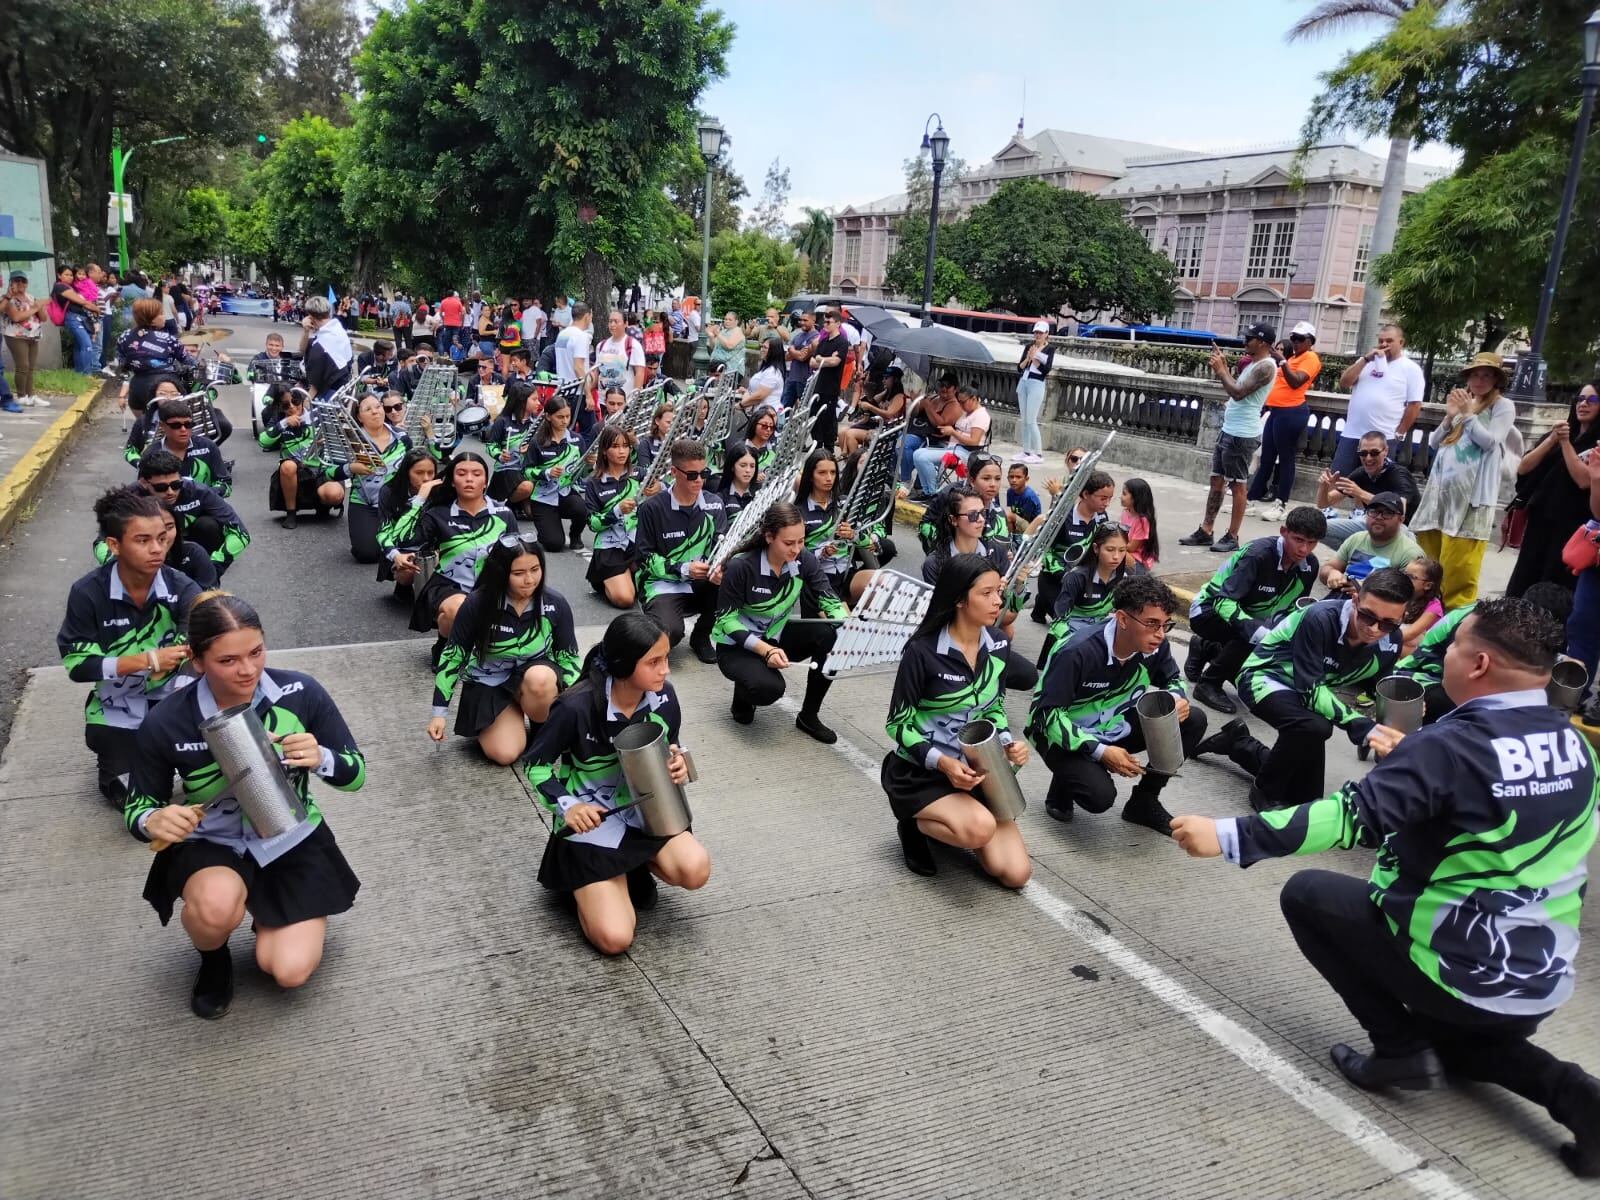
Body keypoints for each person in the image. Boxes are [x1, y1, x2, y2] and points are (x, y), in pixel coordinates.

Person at [1171, 597, 1600, 1180]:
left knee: (1309, 895)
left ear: (1477, 665)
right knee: (1463, 1044)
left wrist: (1228, 834)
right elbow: (1490, 799)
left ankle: (1397, 1049)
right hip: (1540, 979)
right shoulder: (1577, 748)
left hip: (1461, 967)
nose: (1443, 651)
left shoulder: (1451, 748)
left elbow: (1350, 818)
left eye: (1453, 644)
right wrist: (1416, 766)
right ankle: (1583, 1100)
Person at [127, 592, 364, 1019]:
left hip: (289, 834)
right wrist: (154, 819)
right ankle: (214, 962)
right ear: (198, 661)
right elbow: (138, 806)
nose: (248, 669)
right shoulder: (167, 719)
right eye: (229, 660)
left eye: (256, 652)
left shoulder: (300, 691)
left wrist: (323, 758)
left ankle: (269, 911)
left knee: (287, 971)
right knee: (216, 907)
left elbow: (357, 775)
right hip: (212, 843)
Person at [522, 611, 710, 954]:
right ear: (623, 664)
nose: (665, 669)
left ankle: (630, 871)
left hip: (644, 814)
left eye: (666, 658)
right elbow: (535, 766)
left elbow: (674, 744)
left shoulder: (664, 696)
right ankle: (581, 888)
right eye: (654, 661)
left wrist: (682, 764)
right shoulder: (575, 707)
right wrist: (570, 805)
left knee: (696, 870)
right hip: (592, 825)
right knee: (615, 939)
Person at [1194, 568, 1412, 811]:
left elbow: (1378, 689)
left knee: (1304, 797)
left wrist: (1402, 712)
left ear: (1402, 617)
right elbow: (1311, 690)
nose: (1374, 628)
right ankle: (1264, 790)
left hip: (1310, 692)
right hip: (1264, 677)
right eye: (1367, 616)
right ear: (1355, 600)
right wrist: (1362, 726)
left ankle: (1238, 743)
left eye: (1388, 623)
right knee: (1312, 726)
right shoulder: (1319, 617)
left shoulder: (1392, 642)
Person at [881, 554, 1032, 885]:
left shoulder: (999, 645)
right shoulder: (922, 651)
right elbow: (897, 724)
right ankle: (912, 821)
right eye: (986, 593)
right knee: (980, 829)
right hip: (923, 772)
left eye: (998, 592)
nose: (997, 602)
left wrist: (1007, 744)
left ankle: (962, 817)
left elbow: (994, 708)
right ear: (960, 599)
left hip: (977, 771)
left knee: (1016, 874)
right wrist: (944, 764)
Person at [59, 487, 202, 810]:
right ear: (114, 545)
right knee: (138, 802)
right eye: (142, 540)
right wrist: (146, 660)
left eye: (162, 538)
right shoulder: (87, 593)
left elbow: (199, 644)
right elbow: (78, 665)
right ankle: (133, 760)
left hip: (176, 701)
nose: (157, 549)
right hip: (117, 705)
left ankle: (166, 753)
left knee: (211, 785)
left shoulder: (182, 587)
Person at [1030, 574, 1204, 833]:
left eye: (1166, 625)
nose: (1159, 634)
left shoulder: (1154, 645)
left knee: (1192, 720)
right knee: (1098, 797)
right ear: (1122, 619)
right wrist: (1101, 752)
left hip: (1114, 722)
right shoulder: (1077, 651)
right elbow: (1046, 717)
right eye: (1151, 624)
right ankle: (1066, 780)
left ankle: (1144, 801)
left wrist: (1177, 699)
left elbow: (1173, 678)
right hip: (1062, 735)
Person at [427, 536, 578, 763]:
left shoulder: (555, 602)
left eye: (535, 569)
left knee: (541, 678)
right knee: (504, 754)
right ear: (500, 573)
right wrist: (439, 713)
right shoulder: (478, 603)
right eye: (518, 573)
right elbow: (453, 656)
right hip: (490, 682)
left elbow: (569, 659)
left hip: (534, 677)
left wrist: (578, 711)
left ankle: (542, 727)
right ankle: (502, 719)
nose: (529, 580)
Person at [712, 501, 846, 743]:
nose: (797, 549)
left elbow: (828, 598)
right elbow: (726, 622)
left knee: (831, 637)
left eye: (801, 541)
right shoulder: (741, 566)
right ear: (769, 537)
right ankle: (744, 691)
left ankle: (809, 716)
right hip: (737, 645)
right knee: (768, 689)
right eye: (788, 543)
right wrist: (766, 651)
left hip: (776, 636)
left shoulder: (804, 560)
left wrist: (850, 624)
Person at [1185, 505, 1326, 714]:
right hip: (1207, 610)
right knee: (1254, 636)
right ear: (1283, 532)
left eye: (1311, 543)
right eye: (1298, 539)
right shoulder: (1258, 555)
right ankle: (1208, 684)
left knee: (1269, 642)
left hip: (1249, 616)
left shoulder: (1309, 565)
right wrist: (1259, 633)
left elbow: (1295, 609)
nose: (1304, 549)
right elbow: (1223, 602)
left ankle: (1207, 647)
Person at [1408, 352, 1518, 609]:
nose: (1479, 380)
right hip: (1442, 497)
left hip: (1471, 500)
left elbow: (1490, 441)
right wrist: (1450, 417)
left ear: (1496, 380)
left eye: (1486, 375)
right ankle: (1427, 611)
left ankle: (1453, 619)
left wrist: (1468, 415)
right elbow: (1435, 442)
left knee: (1460, 567)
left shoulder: (1502, 406)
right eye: (1475, 375)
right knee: (1432, 562)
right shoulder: (1466, 404)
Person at [392, 451, 519, 654]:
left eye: (477, 474)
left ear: (486, 481)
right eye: (461, 473)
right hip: (449, 585)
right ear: (451, 481)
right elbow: (400, 538)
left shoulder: (504, 514)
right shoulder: (438, 514)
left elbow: (517, 558)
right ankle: (445, 647)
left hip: (491, 585)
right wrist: (420, 499)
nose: (469, 479)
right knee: (460, 607)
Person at [1178, 323, 1277, 554]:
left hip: (1242, 435)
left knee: (1237, 485)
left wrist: (1222, 370)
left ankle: (1232, 535)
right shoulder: (1253, 364)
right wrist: (1224, 369)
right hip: (1230, 429)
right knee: (1217, 481)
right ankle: (1206, 530)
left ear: (1262, 342)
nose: (1245, 340)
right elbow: (1236, 388)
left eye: (1250, 338)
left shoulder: (1266, 368)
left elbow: (1238, 393)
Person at [634, 438, 726, 663]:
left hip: (701, 580)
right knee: (669, 633)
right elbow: (643, 558)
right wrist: (683, 569)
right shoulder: (651, 508)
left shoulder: (715, 505)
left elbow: (721, 546)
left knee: (730, 581)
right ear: (674, 472)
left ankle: (701, 636)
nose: (699, 481)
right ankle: (653, 620)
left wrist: (718, 568)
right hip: (662, 583)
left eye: (704, 473)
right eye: (692, 475)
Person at [1509, 384, 1598, 596]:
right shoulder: (1561, 433)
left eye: (1592, 400)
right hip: (1541, 519)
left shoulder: (1595, 444)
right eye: (1580, 399)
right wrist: (1552, 440)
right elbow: (1524, 467)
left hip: (1574, 526)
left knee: (1555, 584)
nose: (1583, 404)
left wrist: (1566, 444)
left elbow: (1584, 480)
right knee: (1526, 577)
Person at [118, 450, 250, 588]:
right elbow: (103, 543)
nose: (170, 492)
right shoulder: (129, 497)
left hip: (191, 550)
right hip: (144, 553)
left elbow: (241, 533)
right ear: (144, 483)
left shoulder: (199, 491)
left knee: (208, 525)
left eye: (176, 485)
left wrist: (212, 566)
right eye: (161, 487)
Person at [1247, 322, 1321, 522]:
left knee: (1286, 459)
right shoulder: (1295, 357)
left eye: (1299, 339)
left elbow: (1296, 381)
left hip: (1292, 412)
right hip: (1277, 412)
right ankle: (1251, 499)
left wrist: (1282, 362)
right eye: (1293, 338)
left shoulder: (1311, 358)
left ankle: (1281, 504)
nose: (1295, 342)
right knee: (1267, 458)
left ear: (1310, 341)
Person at [1333, 324, 1426, 475]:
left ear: (1401, 343)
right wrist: (1365, 360)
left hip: (1383, 438)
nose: (1384, 344)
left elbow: (1414, 404)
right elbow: (1344, 382)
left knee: (1374, 487)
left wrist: (1400, 433)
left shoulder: (1411, 369)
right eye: (1381, 340)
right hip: (1352, 434)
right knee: (1337, 480)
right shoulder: (1366, 363)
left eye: (1389, 341)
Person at [1040, 523, 1140, 663]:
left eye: (1122, 550)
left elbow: (1129, 615)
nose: (1116, 556)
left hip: (1102, 628)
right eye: (1110, 549)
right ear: (1096, 548)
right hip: (1072, 630)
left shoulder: (1123, 579)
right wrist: (1076, 643)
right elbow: (1059, 620)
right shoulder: (1076, 577)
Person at [1030, 468, 1114, 624]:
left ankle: (1041, 604)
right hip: (1054, 578)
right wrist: (1065, 575)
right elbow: (1044, 552)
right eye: (1102, 498)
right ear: (1085, 494)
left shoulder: (1102, 517)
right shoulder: (1061, 517)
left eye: (1110, 498)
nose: (1107, 503)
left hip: (1082, 579)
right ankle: (1044, 599)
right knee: (1065, 623)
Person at [1313, 430, 1422, 547]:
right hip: (1373, 524)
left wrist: (1360, 493)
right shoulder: (1361, 473)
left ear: (1385, 451)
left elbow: (1399, 510)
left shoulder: (1399, 474)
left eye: (1374, 453)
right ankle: (1355, 557)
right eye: (1363, 453)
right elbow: (1323, 504)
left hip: (1403, 530)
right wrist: (1323, 487)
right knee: (1317, 529)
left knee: (1396, 532)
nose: (1368, 458)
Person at [339, 391, 410, 563]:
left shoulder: (402, 438)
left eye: (378, 406)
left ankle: (388, 539)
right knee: (367, 554)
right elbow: (327, 473)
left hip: (396, 503)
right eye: (368, 409)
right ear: (359, 416)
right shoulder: (350, 441)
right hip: (365, 503)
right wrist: (351, 468)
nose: (375, 411)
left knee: (414, 546)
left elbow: (414, 471)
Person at [258, 387, 345, 526]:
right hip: (295, 472)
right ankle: (291, 513)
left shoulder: (318, 416)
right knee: (288, 465)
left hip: (321, 468)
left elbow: (341, 442)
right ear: (280, 407)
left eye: (295, 401)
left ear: (303, 401)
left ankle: (324, 506)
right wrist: (284, 423)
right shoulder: (279, 420)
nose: (292, 407)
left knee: (334, 494)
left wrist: (326, 441)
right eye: (286, 405)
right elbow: (263, 441)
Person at [583, 424, 644, 609]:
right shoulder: (594, 483)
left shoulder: (640, 475)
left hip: (638, 543)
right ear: (604, 451)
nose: (622, 451)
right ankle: (603, 580)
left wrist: (659, 488)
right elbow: (593, 523)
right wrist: (616, 511)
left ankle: (630, 573)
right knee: (625, 600)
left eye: (625, 446)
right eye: (615, 446)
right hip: (610, 546)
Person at [1319, 493, 1423, 596]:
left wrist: (1369, 589)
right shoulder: (1356, 538)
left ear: (1401, 519)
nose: (1379, 517)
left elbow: (1411, 594)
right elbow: (1328, 568)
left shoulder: (1410, 553)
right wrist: (1331, 573)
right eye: (1373, 511)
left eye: (1387, 513)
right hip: (1340, 599)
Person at [522, 392, 588, 553]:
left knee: (581, 508)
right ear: (548, 417)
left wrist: (589, 465)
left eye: (568, 416)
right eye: (560, 417)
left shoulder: (577, 440)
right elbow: (526, 472)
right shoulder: (537, 441)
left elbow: (584, 474)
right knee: (554, 544)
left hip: (566, 493)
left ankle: (575, 535)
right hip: (543, 497)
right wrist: (547, 473)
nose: (565, 421)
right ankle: (546, 529)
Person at [373, 448, 440, 596]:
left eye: (431, 473)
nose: (426, 478)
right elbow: (384, 532)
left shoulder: (440, 491)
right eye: (419, 473)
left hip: (431, 547)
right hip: (402, 547)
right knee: (408, 570)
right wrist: (396, 556)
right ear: (406, 473)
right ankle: (403, 584)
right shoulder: (389, 491)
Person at [138, 396, 233, 499]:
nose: (183, 429)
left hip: (204, 509)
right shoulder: (151, 453)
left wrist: (205, 494)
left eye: (188, 424)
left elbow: (226, 485)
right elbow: (143, 490)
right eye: (176, 425)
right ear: (162, 426)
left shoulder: (208, 446)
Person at [115, 298, 196, 415]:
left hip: (137, 388)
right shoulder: (168, 339)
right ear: (151, 318)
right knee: (174, 424)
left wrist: (122, 394)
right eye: (161, 314)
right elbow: (188, 360)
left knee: (143, 427)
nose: (164, 317)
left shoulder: (124, 336)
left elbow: (124, 366)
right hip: (164, 386)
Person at [912, 383, 991, 496]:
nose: (961, 405)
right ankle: (926, 491)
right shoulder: (967, 413)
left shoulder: (981, 416)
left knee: (924, 458)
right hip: (953, 448)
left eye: (963, 402)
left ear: (973, 399)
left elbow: (974, 441)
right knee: (917, 454)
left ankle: (932, 492)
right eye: (959, 402)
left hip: (966, 452)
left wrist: (953, 432)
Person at [809, 309, 851, 451]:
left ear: (838, 323)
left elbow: (835, 362)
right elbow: (812, 362)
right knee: (814, 415)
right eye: (824, 322)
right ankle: (817, 443)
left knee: (828, 417)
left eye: (829, 322)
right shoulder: (823, 341)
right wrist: (824, 360)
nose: (825, 325)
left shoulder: (842, 342)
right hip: (819, 385)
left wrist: (822, 359)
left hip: (831, 386)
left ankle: (828, 446)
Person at [3, 269, 46, 407]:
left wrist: (39, 307)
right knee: (23, 366)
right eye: (17, 280)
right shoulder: (8, 300)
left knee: (31, 367)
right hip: (16, 336)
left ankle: (31, 395)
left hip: (33, 335)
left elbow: (44, 318)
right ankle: (21, 396)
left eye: (23, 280)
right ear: (11, 283)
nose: (20, 283)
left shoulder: (31, 297)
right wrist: (34, 308)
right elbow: (16, 317)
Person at [554, 302, 597, 439]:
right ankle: (585, 460)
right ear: (587, 316)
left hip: (563, 389)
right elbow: (578, 366)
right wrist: (588, 394)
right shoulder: (581, 336)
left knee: (565, 431)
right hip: (578, 392)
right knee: (588, 433)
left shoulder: (562, 335)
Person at [299, 296, 354, 401]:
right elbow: (303, 349)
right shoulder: (336, 328)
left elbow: (316, 384)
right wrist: (306, 331)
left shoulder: (322, 346)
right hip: (339, 386)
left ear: (311, 316)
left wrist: (305, 404)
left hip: (328, 394)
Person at [1014, 320, 1054, 463]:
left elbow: (1046, 370)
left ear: (1046, 334)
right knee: (1024, 419)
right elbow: (1020, 367)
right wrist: (1028, 358)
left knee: (1031, 420)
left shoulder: (1049, 349)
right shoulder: (1029, 346)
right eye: (1036, 332)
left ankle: (1038, 453)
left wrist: (1036, 358)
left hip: (1037, 383)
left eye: (1040, 333)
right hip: (1024, 381)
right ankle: (1026, 450)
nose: (1037, 335)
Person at [51, 264, 100, 375]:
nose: (70, 277)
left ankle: (79, 374)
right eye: (66, 275)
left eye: (71, 275)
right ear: (59, 275)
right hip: (73, 317)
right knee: (87, 345)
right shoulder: (60, 287)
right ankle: (87, 374)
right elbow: (81, 302)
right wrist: (96, 309)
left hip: (79, 317)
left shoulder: (72, 287)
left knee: (79, 346)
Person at [1398, 556, 1445, 657]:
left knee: (1412, 640)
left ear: (1427, 585)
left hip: (1424, 651)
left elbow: (1411, 633)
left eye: (1411, 577)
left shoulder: (1434, 608)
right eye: (1404, 574)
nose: (1404, 579)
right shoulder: (1403, 595)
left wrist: (1381, 638)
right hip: (1405, 642)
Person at [594, 309, 646, 398]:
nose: (612, 325)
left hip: (623, 401)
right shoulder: (601, 345)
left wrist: (633, 398)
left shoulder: (633, 345)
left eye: (616, 321)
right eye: (610, 321)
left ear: (626, 324)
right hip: (603, 400)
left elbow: (640, 373)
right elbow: (596, 371)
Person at [738, 338, 787, 420]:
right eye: (761, 347)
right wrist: (747, 391)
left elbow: (760, 396)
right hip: (760, 414)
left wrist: (741, 405)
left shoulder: (773, 372)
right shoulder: (766, 369)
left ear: (774, 351)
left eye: (765, 347)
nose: (761, 350)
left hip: (768, 417)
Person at [782, 310, 820, 409]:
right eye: (800, 320)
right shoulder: (798, 336)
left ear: (813, 320)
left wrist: (792, 349)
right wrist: (795, 352)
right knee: (784, 407)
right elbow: (786, 357)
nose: (802, 322)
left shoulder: (816, 337)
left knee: (803, 409)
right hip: (792, 378)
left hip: (805, 378)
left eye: (805, 320)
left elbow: (802, 357)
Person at [1119, 477, 1160, 569]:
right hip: (1125, 553)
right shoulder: (1125, 512)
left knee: (1111, 552)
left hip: (1136, 562)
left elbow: (1131, 548)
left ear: (1136, 498)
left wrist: (1113, 545)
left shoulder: (1142, 521)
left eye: (1124, 494)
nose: (1121, 497)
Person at [717, 443, 760, 521]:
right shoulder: (720, 497)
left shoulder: (761, 493)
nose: (748, 470)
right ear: (732, 467)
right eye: (743, 465)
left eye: (752, 466)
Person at [1005, 462, 1042, 536]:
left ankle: (1014, 539)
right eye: (1011, 477)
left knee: (1008, 515)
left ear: (1026, 479)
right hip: (1020, 521)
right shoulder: (1010, 492)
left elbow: (1027, 519)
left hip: (1032, 526)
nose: (1014, 480)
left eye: (1018, 477)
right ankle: (1011, 539)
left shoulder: (1028, 496)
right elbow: (1014, 511)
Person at [709, 311, 747, 377]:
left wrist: (718, 334)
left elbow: (729, 345)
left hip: (731, 370)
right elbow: (714, 346)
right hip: (718, 368)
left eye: (730, 320)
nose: (727, 321)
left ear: (736, 321)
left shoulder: (737, 331)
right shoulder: (724, 331)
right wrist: (711, 336)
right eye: (725, 319)